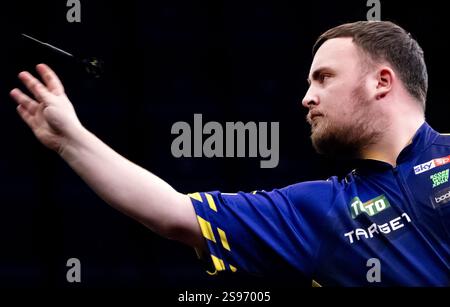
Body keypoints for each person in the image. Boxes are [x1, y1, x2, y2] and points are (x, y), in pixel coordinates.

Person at [9, 20, 449, 286]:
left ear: (382, 82)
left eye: (324, 78)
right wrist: (70, 139)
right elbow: (177, 215)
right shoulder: (317, 211)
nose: (306, 98)